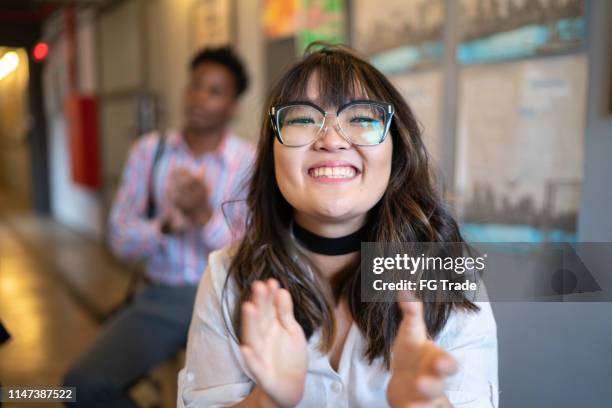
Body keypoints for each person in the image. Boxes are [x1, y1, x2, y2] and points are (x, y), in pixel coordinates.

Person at [178, 44, 498, 408]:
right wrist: (266, 401)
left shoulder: (445, 273)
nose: (331, 140)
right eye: (302, 119)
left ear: (396, 149)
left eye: (361, 119)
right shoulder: (226, 276)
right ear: (272, 153)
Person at [63, 47, 254, 407]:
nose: (200, 97)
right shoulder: (150, 152)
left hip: (228, 298)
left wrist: (201, 214)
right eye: (195, 86)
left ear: (233, 105)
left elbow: (251, 253)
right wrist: (165, 224)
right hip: (161, 297)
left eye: (215, 91)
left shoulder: (249, 161)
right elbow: (119, 240)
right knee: (79, 385)